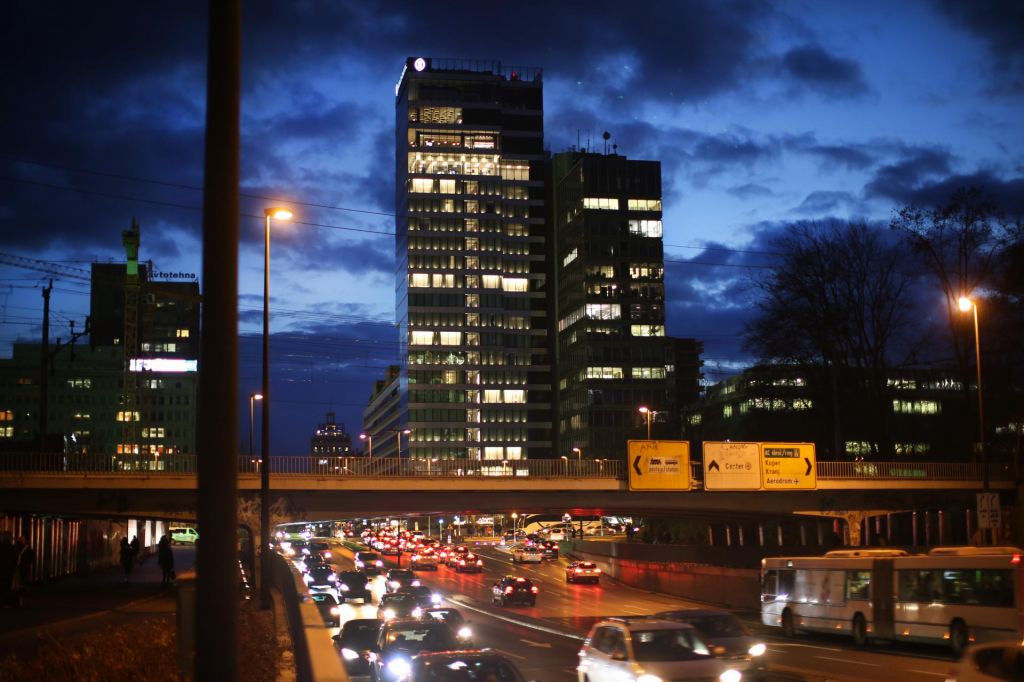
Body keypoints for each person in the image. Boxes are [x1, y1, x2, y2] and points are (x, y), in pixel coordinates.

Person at [13, 536, 34, 607]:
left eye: (22, 540)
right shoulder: (23, 549)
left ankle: (23, 594)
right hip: (22, 567)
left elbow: (30, 559)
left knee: (23, 580)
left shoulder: (27, 549)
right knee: (22, 581)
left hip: (23, 567)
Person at [0, 532, 15, 608]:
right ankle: (6, 602)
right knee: (7, 587)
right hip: (8, 571)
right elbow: (14, 560)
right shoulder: (11, 548)